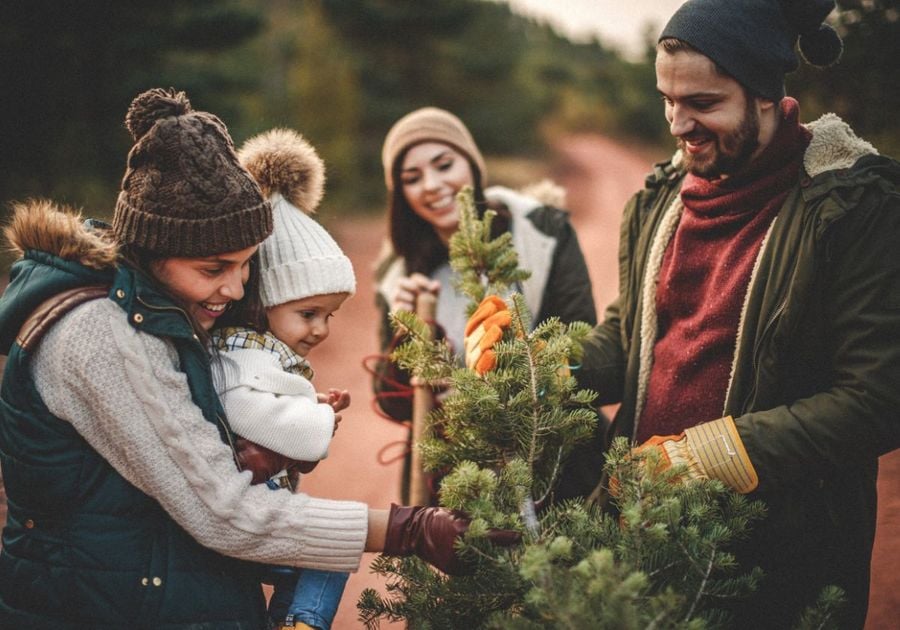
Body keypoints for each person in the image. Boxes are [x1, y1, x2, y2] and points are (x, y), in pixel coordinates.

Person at [0, 88, 516, 629]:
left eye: (247, 266)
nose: (235, 287)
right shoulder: (100, 334)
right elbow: (227, 514)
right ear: (151, 250)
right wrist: (409, 530)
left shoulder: (161, 309)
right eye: (213, 268)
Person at [544, 0, 899, 627]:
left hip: (778, 563)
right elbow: (631, 339)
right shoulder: (658, 200)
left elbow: (878, 400)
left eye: (703, 104)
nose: (678, 124)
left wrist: (716, 454)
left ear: (765, 93)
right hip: (641, 537)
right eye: (667, 100)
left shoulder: (853, 208)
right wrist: (538, 362)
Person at [373, 106, 602, 504]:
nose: (431, 185)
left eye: (444, 165)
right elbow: (391, 402)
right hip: (458, 477)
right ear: (401, 194)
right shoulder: (400, 272)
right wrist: (406, 337)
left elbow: (579, 344)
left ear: (473, 165)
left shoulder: (542, 233)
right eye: (412, 178)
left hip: (550, 462)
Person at [210, 128, 357, 630]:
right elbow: (246, 408)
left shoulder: (259, 351)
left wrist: (306, 403)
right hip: (241, 516)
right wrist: (313, 417)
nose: (320, 329)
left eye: (330, 316)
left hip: (256, 507)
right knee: (327, 550)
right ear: (263, 299)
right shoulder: (240, 351)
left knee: (321, 554)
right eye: (310, 313)